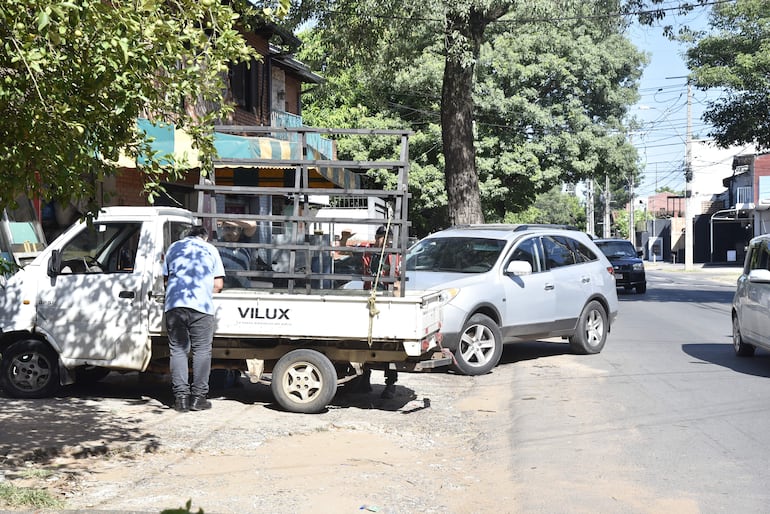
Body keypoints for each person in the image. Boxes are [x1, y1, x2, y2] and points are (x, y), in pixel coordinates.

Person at [163, 225, 225, 412]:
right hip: (202, 307)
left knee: (178, 351)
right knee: (202, 351)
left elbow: (165, 280)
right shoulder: (211, 249)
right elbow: (218, 284)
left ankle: (181, 399)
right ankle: (198, 398)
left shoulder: (174, 247)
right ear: (204, 237)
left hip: (175, 304)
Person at [361, 224, 399, 398]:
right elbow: (344, 251)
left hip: (386, 298)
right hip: (371, 296)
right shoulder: (369, 251)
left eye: (387, 237)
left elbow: (397, 280)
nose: (384, 240)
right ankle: (363, 379)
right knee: (365, 342)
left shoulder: (393, 254)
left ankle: (390, 383)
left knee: (388, 344)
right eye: (382, 237)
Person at [217, 220, 257, 288]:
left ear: (239, 230)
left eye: (233, 228)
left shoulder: (244, 241)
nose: (229, 231)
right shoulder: (219, 244)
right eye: (227, 228)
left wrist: (227, 221)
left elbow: (252, 225)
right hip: (225, 290)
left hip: (243, 289)